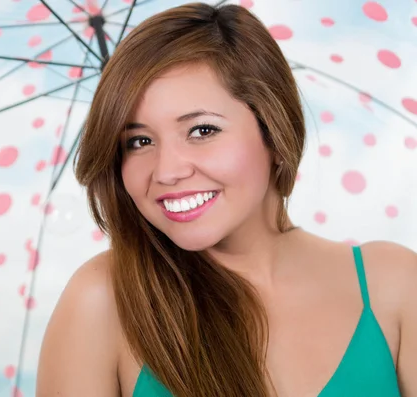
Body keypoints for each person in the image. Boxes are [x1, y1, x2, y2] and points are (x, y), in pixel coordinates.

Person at [36, 2, 416, 396]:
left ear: (274, 129)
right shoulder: (102, 303)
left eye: (202, 130)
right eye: (140, 141)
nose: (166, 171)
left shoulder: (393, 283)